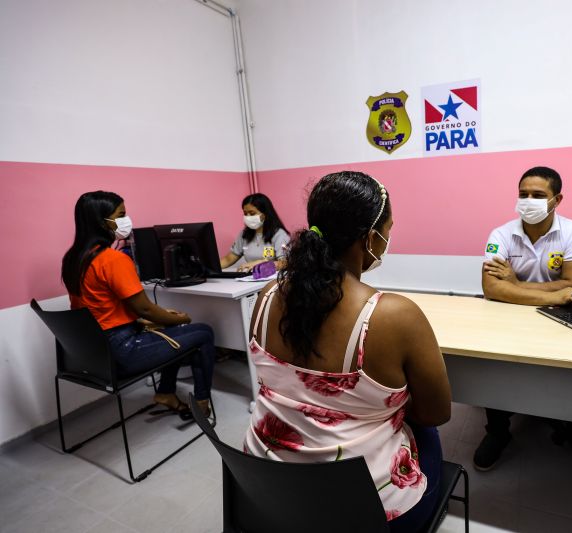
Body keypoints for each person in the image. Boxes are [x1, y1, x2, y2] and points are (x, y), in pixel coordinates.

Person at [242, 171, 452, 531]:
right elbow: (435, 413)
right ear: (370, 238)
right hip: (362, 511)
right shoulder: (393, 315)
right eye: (388, 229)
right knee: (425, 432)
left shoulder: (266, 297)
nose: (387, 238)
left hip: (268, 487)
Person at [474, 166, 572, 477]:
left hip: (558, 318)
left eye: (538, 195)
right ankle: (498, 430)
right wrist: (555, 292)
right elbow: (491, 288)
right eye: (523, 195)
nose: (528, 201)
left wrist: (516, 284)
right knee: (495, 368)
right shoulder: (501, 234)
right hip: (506, 318)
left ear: (557, 199)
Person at [62, 191, 216, 417]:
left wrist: (160, 318)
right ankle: (201, 406)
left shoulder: (74, 259)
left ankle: (166, 393)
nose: (127, 220)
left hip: (93, 354)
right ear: (101, 220)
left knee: (172, 330)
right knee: (203, 333)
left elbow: (101, 308)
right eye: (121, 214)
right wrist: (179, 318)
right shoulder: (113, 259)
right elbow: (144, 308)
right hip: (123, 351)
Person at [219, 193, 290, 272]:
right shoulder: (244, 235)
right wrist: (208, 268)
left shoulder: (279, 235)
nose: (248, 217)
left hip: (273, 278)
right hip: (251, 278)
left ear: (265, 214)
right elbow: (229, 259)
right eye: (245, 214)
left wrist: (261, 264)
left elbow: (284, 263)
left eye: (252, 213)